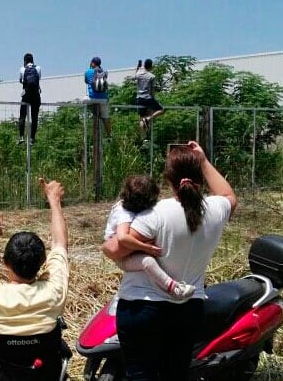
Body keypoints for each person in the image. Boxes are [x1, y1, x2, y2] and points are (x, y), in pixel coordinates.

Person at [115, 141, 237, 380]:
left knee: (140, 374)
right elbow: (228, 194)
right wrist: (203, 161)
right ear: (198, 175)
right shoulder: (216, 209)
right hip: (188, 308)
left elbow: (120, 249)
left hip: (143, 308)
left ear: (167, 179)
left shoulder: (154, 213)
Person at [0, 178, 69, 380]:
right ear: (43, 263)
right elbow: (60, 244)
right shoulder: (53, 292)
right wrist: (54, 200)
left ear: (5, 262)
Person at [100, 175, 195, 299]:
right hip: (123, 257)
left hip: (131, 248)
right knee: (148, 262)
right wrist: (145, 247)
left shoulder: (129, 205)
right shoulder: (124, 213)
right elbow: (122, 238)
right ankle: (173, 288)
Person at [134, 58, 164, 133]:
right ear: (151, 66)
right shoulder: (152, 76)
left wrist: (138, 67)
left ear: (144, 66)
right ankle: (148, 119)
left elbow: (136, 74)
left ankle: (143, 137)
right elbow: (152, 89)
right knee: (161, 109)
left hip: (139, 98)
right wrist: (153, 99)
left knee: (141, 118)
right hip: (147, 98)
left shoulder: (138, 74)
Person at [84, 56, 111, 137]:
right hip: (103, 99)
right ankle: (109, 135)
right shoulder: (104, 72)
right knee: (106, 117)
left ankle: (95, 113)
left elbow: (86, 81)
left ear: (92, 63)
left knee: (84, 99)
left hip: (92, 98)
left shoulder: (88, 72)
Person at [17, 53, 41, 144]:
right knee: (34, 117)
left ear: (25, 61)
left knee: (22, 116)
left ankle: (21, 137)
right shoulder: (38, 68)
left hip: (26, 94)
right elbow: (38, 79)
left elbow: (21, 80)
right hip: (35, 95)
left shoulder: (22, 69)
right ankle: (32, 138)